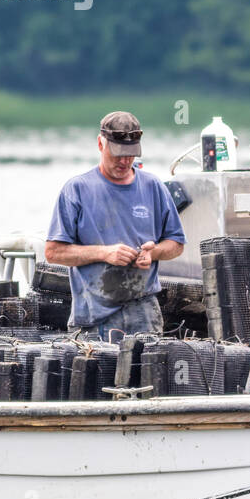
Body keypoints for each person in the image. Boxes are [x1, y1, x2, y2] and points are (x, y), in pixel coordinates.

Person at [44, 111, 186, 340]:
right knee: (99, 375)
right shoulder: (77, 190)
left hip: (144, 313)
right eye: (118, 153)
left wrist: (154, 252)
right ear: (101, 144)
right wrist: (105, 253)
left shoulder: (153, 186)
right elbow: (53, 252)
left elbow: (176, 243)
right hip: (93, 315)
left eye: (130, 154)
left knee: (146, 375)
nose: (124, 161)